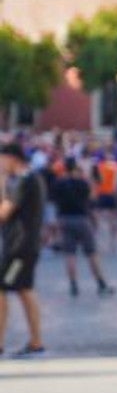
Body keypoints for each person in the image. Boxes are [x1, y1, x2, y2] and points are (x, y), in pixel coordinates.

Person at [0, 144, 46, 357]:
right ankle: (36, 340)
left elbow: (4, 213)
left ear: (11, 158)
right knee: (25, 289)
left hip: (18, 247)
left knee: (4, 289)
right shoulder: (31, 178)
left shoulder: (23, 181)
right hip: (25, 245)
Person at [49, 158, 116, 298]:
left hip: (64, 219)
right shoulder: (82, 183)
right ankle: (101, 284)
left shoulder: (58, 183)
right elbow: (91, 198)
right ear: (75, 168)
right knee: (91, 253)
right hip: (81, 218)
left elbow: (53, 199)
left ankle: (73, 285)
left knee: (70, 254)